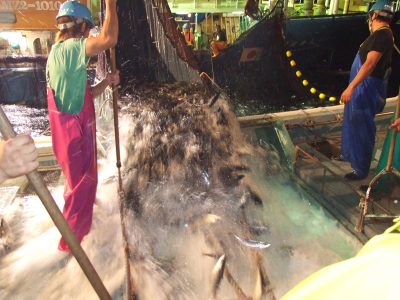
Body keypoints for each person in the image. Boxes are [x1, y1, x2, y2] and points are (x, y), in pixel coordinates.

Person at [46, 0, 119, 252]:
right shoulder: (71, 49)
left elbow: (85, 95)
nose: (90, 34)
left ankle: (81, 235)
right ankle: (71, 251)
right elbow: (109, 39)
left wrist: (107, 81)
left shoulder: (57, 53)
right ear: (80, 26)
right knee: (78, 195)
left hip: (69, 137)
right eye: (88, 29)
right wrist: (111, 6)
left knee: (78, 189)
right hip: (75, 139)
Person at [339, 0, 394, 181]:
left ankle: (360, 169)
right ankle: (350, 155)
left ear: (373, 16)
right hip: (363, 87)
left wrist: (351, 87)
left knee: (362, 125)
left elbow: (369, 64)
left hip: (366, 88)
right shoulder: (381, 35)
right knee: (353, 120)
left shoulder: (382, 35)